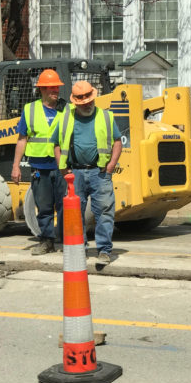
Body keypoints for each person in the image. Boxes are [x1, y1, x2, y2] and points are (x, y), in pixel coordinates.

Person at [55, 80, 121, 265]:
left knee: (105, 211)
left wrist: (111, 165)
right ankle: (79, 248)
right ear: (75, 102)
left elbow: (117, 142)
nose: (86, 104)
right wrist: (62, 166)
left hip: (100, 172)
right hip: (75, 172)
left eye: (89, 99)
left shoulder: (106, 117)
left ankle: (104, 251)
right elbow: (57, 144)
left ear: (93, 97)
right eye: (82, 101)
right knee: (75, 212)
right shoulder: (66, 118)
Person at [11, 69, 67, 255]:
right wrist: (15, 166)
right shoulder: (30, 109)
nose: (56, 91)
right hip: (39, 167)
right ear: (42, 89)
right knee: (43, 207)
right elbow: (22, 139)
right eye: (52, 88)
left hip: (62, 168)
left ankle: (67, 242)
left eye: (57, 88)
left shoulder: (67, 110)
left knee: (65, 206)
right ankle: (47, 241)